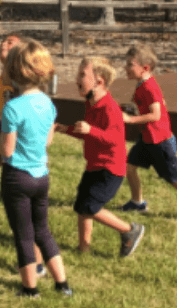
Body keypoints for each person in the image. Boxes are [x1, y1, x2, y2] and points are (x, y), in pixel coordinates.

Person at [0, 40, 72, 298]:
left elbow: (7, 151)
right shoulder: (48, 104)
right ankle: (62, 285)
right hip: (41, 176)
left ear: (14, 72)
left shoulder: (12, 108)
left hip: (17, 179)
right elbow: (47, 141)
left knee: (24, 235)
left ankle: (30, 289)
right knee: (43, 231)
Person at [56, 57, 144, 257]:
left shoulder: (110, 108)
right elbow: (85, 132)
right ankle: (83, 248)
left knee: (90, 206)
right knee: (82, 206)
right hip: (94, 165)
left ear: (99, 81)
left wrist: (91, 130)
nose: (76, 78)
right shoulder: (91, 104)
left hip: (110, 169)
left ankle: (129, 230)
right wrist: (65, 129)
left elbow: (114, 140)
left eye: (82, 75)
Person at [121, 44, 177, 221]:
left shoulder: (149, 87)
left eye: (130, 65)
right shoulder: (142, 84)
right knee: (130, 167)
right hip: (147, 139)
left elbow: (156, 114)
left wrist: (131, 119)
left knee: (174, 178)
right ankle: (137, 202)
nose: (126, 68)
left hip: (160, 141)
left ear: (145, 68)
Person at [0, 33, 47, 278]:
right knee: (25, 221)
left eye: (11, 42)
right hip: (9, 143)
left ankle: (36, 263)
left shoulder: (25, 89)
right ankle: (38, 263)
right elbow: (0, 114)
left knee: (27, 222)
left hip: (24, 160)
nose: (4, 44)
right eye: (3, 41)